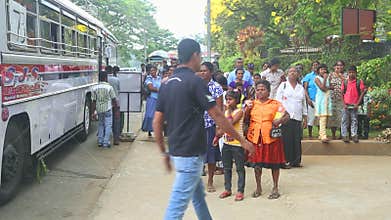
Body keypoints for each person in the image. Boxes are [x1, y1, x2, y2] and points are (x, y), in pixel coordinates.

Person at [152, 39, 254, 220]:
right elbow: (218, 115)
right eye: (200, 56)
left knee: (198, 197)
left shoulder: (167, 84)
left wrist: (163, 152)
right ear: (195, 55)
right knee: (176, 208)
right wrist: (242, 140)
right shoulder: (195, 82)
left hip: (177, 150)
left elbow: (157, 122)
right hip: (190, 153)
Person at [244, 80, 289, 199]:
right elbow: (245, 119)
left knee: (275, 164)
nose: (260, 92)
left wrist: (279, 121)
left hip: (271, 137)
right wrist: (246, 108)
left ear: (268, 91)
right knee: (256, 164)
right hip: (255, 137)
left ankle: (275, 188)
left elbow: (287, 115)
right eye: (258, 90)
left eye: (262, 89)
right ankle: (258, 187)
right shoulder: (252, 104)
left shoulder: (276, 104)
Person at [198, 61, 224, 192]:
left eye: (205, 70)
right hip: (196, 125)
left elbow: (220, 108)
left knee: (211, 154)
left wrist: (219, 127)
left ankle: (210, 181)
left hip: (210, 124)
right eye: (200, 70)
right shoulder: (195, 86)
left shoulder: (216, 87)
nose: (202, 73)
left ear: (211, 72)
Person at [276, 67, 307, 168]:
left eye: (295, 72)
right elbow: (278, 102)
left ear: (298, 74)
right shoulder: (283, 86)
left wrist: (305, 117)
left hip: (297, 117)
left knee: (296, 139)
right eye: (290, 71)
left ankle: (296, 161)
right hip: (285, 117)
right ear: (287, 74)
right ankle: (286, 160)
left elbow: (303, 103)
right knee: (286, 140)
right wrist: (281, 115)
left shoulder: (300, 88)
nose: (292, 73)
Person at [218, 90, 246, 201]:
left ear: (237, 101)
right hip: (226, 143)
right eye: (227, 99)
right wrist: (217, 136)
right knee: (227, 167)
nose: (228, 101)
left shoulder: (239, 111)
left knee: (239, 168)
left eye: (231, 99)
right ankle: (227, 189)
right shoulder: (226, 112)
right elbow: (222, 125)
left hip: (237, 144)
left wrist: (228, 110)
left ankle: (240, 191)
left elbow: (230, 123)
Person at [341, 65, 366, 143]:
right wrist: (343, 104)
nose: (351, 74)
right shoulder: (345, 82)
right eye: (350, 72)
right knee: (344, 120)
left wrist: (357, 104)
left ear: (356, 73)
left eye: (353, 72)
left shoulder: (359, 82)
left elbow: (362, 93)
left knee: (354, 120)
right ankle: (344, 135)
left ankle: (354, 135)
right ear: (348, 73)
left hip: (354, 104)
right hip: (346, 104)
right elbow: (341, 93)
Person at [92, 71, 117, 148]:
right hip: (108, 108)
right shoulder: (109, 87)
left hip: (99, 109)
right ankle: (106, 142)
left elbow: (93, 101)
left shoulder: (94, 88)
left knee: (100, 124)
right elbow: (114, 99)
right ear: (106, 78)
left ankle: (100, 141)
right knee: (108, 125)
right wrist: (114, 107)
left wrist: (93, 111)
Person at [327, 61, 345, 139]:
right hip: (332, 99)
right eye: (337, 65)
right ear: (334, 67)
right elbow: (327, 85)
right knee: (333, 117)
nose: (339, 67)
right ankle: (333, 134)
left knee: (341, 116)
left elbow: (348, 83)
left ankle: (342, 134)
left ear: (343, 66)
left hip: (342, 99)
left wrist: (341, 76)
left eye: (341, 65)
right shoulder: (330, 75)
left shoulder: (346, 75)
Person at [314, 64, 332, 143]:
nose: (323, 71)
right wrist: (325, 79)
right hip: (321, 100)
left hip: (327, 99)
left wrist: (327, 85)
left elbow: (331, 87)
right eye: (321, 69)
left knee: (325, 118)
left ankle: (320, 134)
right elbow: (323, 88)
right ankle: (323, 136)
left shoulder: (328, 78)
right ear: (318, 71)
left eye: (324, 69)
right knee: (323, 117)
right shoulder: (317, 78)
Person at [141, 66, 161, 137]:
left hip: (159, 99)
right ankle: (149, 129)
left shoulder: (159, 78)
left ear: (156, 71)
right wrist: (160, 90)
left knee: (158, 115)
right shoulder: (149, 78)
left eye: (154, 70)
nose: (152, 72)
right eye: (151, 71)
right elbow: (151, 88)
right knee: (150, 115)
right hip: (151, 98)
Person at [302, 61, 320, 139]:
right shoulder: (308, 76)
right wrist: (308, 99)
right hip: (311, 99)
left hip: (320, 100)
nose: (315, 66)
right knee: (311, 117)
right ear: (311, 67)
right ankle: (310, 135)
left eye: (317, 65)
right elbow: (305, 89)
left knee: (320, 118)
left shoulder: (322, 76)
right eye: (314, 65)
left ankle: (320, 134)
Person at [108, 66, 121, 145]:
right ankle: (116, 139)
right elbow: (119, 90)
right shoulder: (117, 80)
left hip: (107, 103)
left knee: (107, 122)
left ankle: (106, 139)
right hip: (116, 103)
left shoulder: (105, 79)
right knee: (116, 121)